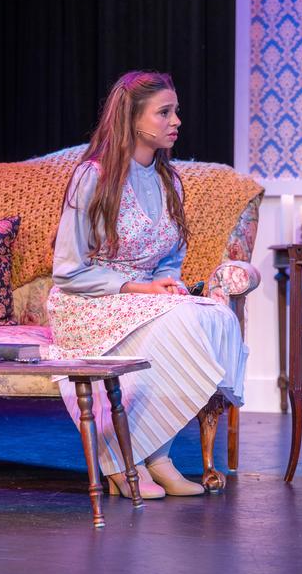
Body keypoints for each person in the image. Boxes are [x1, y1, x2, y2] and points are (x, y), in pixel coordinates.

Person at [48, 70, 247, 499]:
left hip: (143, 300)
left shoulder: (168, 180)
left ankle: (157, 456)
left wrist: (163, 284)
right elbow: (68, 270)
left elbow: (169, 258)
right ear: (132, 118)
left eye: (176, 111)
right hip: (87, 300)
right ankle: (123, 459)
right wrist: (140, 291)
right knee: (177, 323)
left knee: (214, 316)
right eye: (164, 112)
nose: (176, 121)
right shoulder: (93, 176)